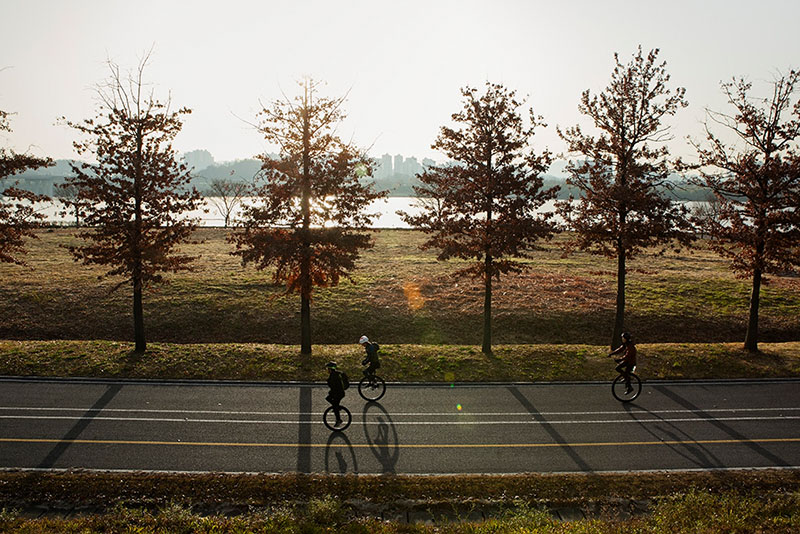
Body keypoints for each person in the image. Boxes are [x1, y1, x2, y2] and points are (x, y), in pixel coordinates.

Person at [325, 361, 346, 426]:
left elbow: (334, 387)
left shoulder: (333, 376)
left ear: (330, 369)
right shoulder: (337, 373)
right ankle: (337, 408)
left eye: (328, 368)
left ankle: (338, 420)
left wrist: (331, 393)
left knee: (334, 404)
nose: (327, 370)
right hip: (340, 392)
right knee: (331, 400)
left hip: (338, 393)